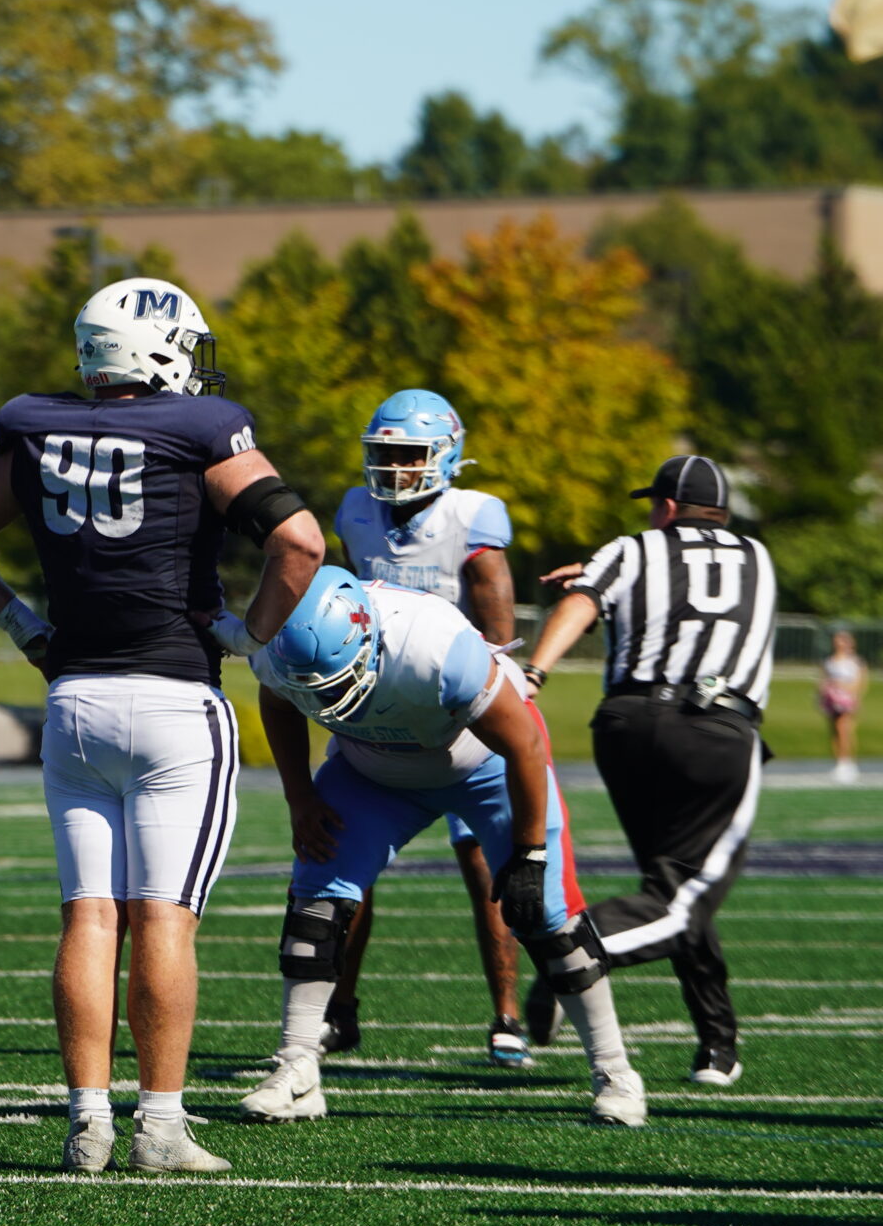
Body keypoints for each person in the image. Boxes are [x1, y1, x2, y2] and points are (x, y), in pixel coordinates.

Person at [0, 275, 323, 1175]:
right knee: (164, 916)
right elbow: (299, 541)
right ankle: (160, 1126)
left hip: (74, 703)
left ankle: (88, 1123)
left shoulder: (35, 425)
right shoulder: (200, 428)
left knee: (91, 914)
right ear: (160, 348)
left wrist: (24, 627)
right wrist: (250, 633)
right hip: (174, 699)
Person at [240, 568, 642, 1128]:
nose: (326, 699)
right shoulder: (279, 642)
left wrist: (529, 853)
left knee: (547, 917)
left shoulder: (434, 647)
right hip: (372, 773)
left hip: (482, 765)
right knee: (315, 903)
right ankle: (297, 1067)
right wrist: (300, 796)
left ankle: (615, 1072)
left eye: (334, 683)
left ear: (369, 642)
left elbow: (525, 744)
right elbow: (280, 702)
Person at [525, 453, 776, 1088]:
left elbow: (583, 603)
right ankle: (571, 959)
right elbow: (705, 594)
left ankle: (718, 1043)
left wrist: (535, 672)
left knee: (669, 885)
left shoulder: (630, 550)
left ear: (665, 508)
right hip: (715, 729)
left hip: (627, 727)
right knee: (681, 896)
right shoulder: (759, 555)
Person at [329, 389, 527, 1065]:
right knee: (349, 864)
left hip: (459, 714)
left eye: (411, 454)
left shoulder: (471, 516)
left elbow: (499, 639)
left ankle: (507, 1013)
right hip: (373, 709)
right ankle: (338, 1010)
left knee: (483, 862)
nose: (396, 468)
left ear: (446, 454)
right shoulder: (356, 511)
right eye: (386, 454)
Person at [818, 630, 863, 784]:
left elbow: (859, 681)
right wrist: (823, 693)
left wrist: (847, 691)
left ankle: (847, 762)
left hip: (845, 698)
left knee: (844, 729)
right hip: (831, 698)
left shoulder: (854, 661)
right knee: (834, 731)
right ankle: (839, 761)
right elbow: (823, 679)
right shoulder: (830, 661)